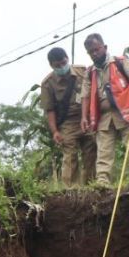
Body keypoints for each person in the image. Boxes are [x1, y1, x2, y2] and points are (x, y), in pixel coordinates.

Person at [80, 33, 129, 186]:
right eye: (91, 52)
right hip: (103, 117)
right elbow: (85, 96)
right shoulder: (89, 73)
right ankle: (102, 183)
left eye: (97, 49)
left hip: (126, 111)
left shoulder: (119, 62)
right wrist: (84, 117)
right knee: (104, 152)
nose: (94, 53)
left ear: (104, 47)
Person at [39, 47, 94, 185]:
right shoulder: (47, 83)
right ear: (52, 65)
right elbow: (49, 110)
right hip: (67, 123)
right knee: (70, 157)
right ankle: (71, 191)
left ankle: (92, 187)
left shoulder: (82, 71)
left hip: (86, 118)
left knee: (91, 152)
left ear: (67, 59)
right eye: (58, 65)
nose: (62, 67)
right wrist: (55, 131)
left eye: (64, 63)